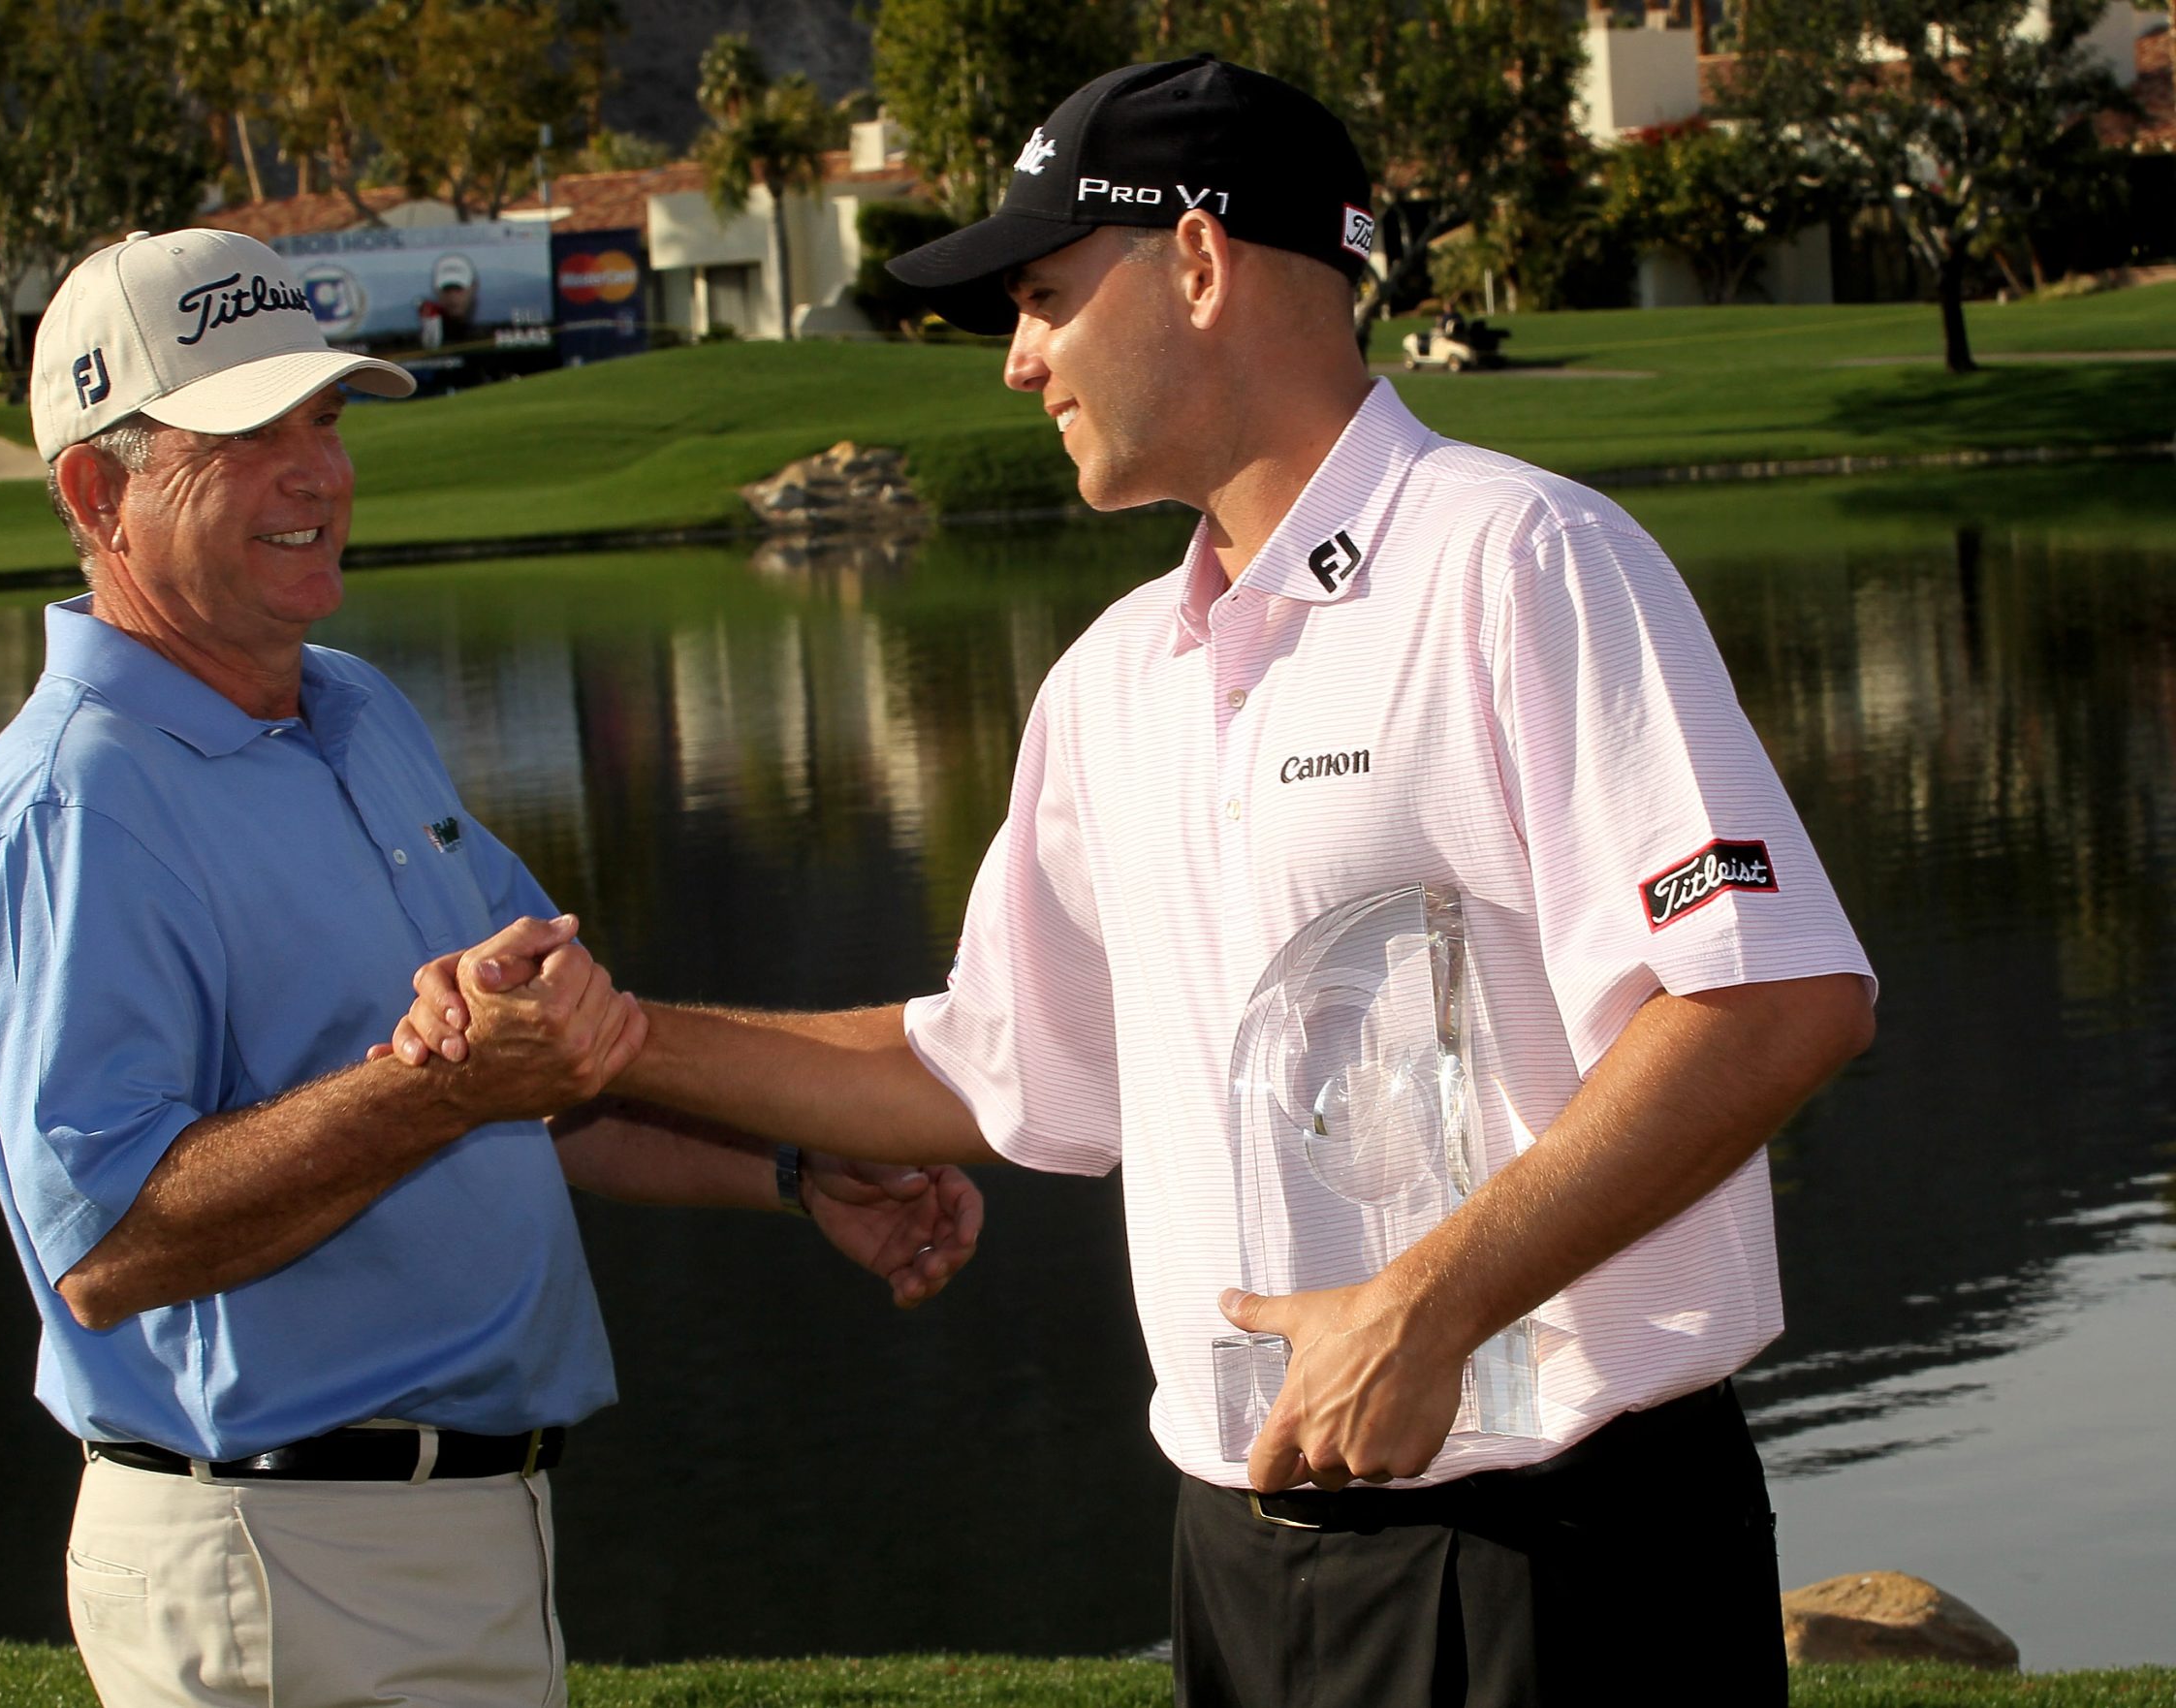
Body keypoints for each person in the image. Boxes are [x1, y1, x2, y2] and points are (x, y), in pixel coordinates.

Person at [402, 56, 1876, 1707]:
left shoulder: (1518, 561)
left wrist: (1432, 1300)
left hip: (1560, 1551)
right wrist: (612, 1038)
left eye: (1042, 297)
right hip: (1242, 1550)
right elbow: (987, 1065)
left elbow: (1768, 996)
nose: (1018, 359)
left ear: (1195, 262)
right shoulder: (1113, 679)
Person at [0, 228, 980, 1708]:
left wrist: (796, 1169)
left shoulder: (352, 711)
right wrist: (429, 1092)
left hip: (452, 1529)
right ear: (96, 493)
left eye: (325, 419)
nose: (319, 472)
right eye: (247, 434)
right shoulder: (77, 801)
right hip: (277, 1553)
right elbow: (105, 1249)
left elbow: (551, 1060)